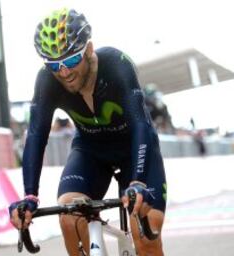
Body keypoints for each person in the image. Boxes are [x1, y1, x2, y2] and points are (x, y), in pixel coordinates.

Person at [9, 8, 167, 256]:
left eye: (71, 60)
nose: (64, 72)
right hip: (90, 151)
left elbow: (140, 124)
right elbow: (37, 135)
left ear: (89, 49)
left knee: (145, 236)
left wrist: (137, 181)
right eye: (54, 65)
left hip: (133, 148)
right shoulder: (47, 81)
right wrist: (30, 195)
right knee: (69, 218)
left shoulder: (116, 64)